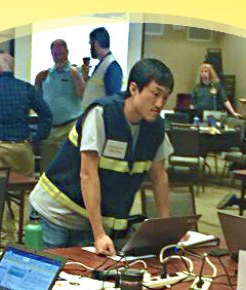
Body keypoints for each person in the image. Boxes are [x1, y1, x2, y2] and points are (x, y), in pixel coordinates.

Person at [29, 58, 174, 256]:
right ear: (133, 88)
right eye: (155, 94)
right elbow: (88, 175)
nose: (159, 104)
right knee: (46, 276)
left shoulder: (156, 128)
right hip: (54, 212)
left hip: (90, 217)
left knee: (85, 278)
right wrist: (99, 234)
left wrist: (166, 228)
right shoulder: (102, 113)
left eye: (165, 98)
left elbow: (159, 176)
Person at [35, 39, 85, 171]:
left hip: (68, 127)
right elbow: (38, 98)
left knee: (68, 168)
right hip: (50, 129)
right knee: (47, 169)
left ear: (67, 53)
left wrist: (78, 79)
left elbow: (83, 95)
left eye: (61, 54)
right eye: (55, 54)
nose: (58, 57)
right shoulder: (45, 74)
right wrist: (37, 82)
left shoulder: (75, 72)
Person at [81, 27, 123, 109]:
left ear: (95, 43)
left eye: (90, 44)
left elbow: (113, 101)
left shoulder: (111, 67)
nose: (90, 48)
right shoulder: (103, 65)